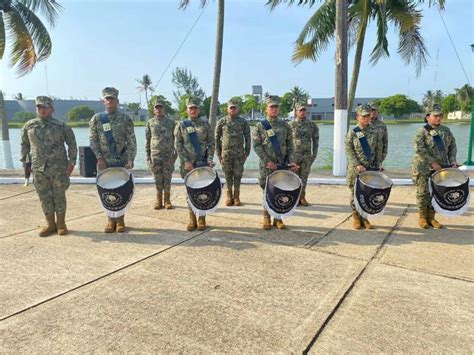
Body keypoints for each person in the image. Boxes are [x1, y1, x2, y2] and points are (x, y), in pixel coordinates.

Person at [20, 96, 77, 237]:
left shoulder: (61, 126)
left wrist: (72, 162)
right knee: (44, 196)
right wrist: (25, 163)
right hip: (38, 167)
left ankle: (61, 224)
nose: (42, 110)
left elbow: (72, 144)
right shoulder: (29, 126)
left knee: (59, 195)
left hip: (59, 168)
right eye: (39, 107)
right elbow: (24, 145)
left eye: (45, 107)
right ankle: (50, 224)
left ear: (52, 109)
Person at [89, 87, 137, 233]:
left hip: (121, 160)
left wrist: (130, 159)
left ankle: (121, 219)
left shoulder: (125, 118)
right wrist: (99, 157)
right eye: (107, 99)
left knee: (121, 190)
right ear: (103, 101)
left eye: (112, 98)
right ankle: (110, 220)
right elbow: (93, 140)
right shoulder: (97, 119)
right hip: (104, 162)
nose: (110, 101)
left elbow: (131, 140)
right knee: (106, 191)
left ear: (117, 101)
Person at [253, 95, 298, 230]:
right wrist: (268, 161)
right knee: (267, 191)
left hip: (282, 165)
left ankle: (278, 218)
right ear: (266, 109)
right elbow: (256, 146)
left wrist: (291, 162)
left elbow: (290, 146)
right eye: (271, 107)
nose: (274, 109)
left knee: (281, 190)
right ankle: (266, 217)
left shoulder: (285, 125)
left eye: (276, 107)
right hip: (267, 166)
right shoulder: (260, 126)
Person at [412, 104, 458, 229]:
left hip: (440, 168)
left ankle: (432, 217)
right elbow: (419, 149)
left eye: (440, 116)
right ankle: (422, 217)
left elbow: (452, 147)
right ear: (428, 117)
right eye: (435, 116)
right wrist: (432, 162)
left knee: (436, 192)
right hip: (423, 167)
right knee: (423, 192)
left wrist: (453, 161)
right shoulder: (422, 131)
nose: (438, 118)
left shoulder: (446, 130)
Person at [174, 97, 215, 231]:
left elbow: (211, 143)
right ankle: (192, 217)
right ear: (187, 110)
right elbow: (178, 145)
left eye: (195, 108)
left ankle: (202, 217)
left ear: (199, 109)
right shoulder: (181, 125)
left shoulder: (205, 124)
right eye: (191, 108)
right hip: (188, 165)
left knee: (203, 190)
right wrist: (185, 161)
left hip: (202, 163)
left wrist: (209, 158)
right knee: (190, 191)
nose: (193, 110)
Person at [345, 104, 383, 230]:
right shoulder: (352, 132)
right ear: (358, 117)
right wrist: (357, 164)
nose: (367, 118)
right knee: (355, 193)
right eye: (364, 116)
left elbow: (378, 149)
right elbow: (349, 150)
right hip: (356, 169)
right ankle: (356, 217)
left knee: (368, 193)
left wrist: (378, 164)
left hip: (370, 168)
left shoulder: (375, 131)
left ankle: (364, 217)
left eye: (368, 116)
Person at [215, 99, 251, 206]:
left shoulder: (243, 122)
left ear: (238, 109)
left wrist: (247, 153)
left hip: (239, 154)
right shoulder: (222, 121)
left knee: (238, 175)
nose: (233, 110)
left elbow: (248, 138)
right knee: (227, 175)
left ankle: (236, 197)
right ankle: (229, 196)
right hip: (226, 154)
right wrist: (218, 154)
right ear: (227, 109)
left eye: (235, 108)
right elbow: (217, 138)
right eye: (231, 108)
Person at [145, 98, 176, 210]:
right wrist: (148, 155)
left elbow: (176, 138)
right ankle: (158, 200)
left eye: (160, 107)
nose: (158, 109)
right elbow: (148, 140)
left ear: (164, 109)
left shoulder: (171, 122)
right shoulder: (150, 123)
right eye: (156, 108)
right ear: (154, 110)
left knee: (167, 178)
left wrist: (175, 154)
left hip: (168, 155)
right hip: (155, 155)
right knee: (157, 178)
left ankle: (167, 200)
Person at [289, 101, 319, 206]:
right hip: (294, 155)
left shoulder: (312, 125)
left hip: (306, 155)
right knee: (294, 177)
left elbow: (315, 140)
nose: (302, 112)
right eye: (300, 110)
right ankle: (295, 198)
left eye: (304, 110)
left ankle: (302, 197)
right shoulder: (290, 125)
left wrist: (314, 154)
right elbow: (286, 141)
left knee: (304, 177)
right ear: (296, 112)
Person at [368, 101, 388, 166]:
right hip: (365, 161)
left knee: (376, 175)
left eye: (374, 110)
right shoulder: (363, 124)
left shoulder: (382, 125)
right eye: (370, 110)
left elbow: (385, 142)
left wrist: (383, 156)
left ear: (378, 112)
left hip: (378, 160)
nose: (372, 112)